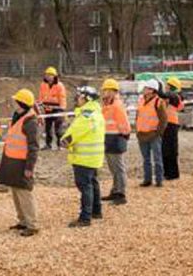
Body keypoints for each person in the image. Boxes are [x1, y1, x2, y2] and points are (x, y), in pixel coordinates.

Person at [0, 89, 41, 236]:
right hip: (13, 161)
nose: (13, 102)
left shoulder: (30, 121)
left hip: (22, 163)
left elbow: (33, 147)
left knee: (24, 194)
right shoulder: (18, 116)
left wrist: (29, 167)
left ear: (21, 103)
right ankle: (23, 221)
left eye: (16, 101)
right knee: (16, 192)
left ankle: (32, 225)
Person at [61, 86, 105, 228]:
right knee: (92, 183)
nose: (77, 98)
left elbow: (76, 131)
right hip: (93, 157)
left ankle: (85, 218)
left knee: (85, 186)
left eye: (80, 96)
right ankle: (96, 211)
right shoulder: (96, 112)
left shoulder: (86, 115)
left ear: (87, 99)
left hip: (84, 157)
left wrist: (64, 141)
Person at [99, 78, 130, 205]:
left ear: (113, 91)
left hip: (116, 139)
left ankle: (121, 194)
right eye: (104, 90)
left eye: (107, 90)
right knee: (113, 168)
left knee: (118, 168)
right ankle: (115, 191)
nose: (104, 92)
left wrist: (124, 135)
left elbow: (124, 124)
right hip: (108, 139)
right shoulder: (107, 105)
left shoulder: (116, 106)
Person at [135, 79, 168, 187]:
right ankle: (147, 180)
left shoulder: (159, 102)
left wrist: (157, 133)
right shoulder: (141, 100)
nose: (144, 89)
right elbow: (138, 116)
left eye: (146, 88)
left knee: (157, 159)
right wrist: (138, 130)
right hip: (142, 134)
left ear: (152, 90)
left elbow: (163, 120)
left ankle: (159, 180)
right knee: (146, 159)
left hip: (153, 135)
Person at [38, 67, 67, 150]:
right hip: (47, 108)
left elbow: (62, 97)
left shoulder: (59, 86)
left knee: (58, 128)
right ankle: (48, 144)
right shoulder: (43, 85)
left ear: (54, 76)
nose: (48, 76)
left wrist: (61, 108)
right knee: (48, 127)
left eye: (50, 75)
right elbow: (41, 96)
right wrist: (40, 104)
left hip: (58, 108)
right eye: (47, 75)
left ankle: (60, 145)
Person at [161, 77, 184, 181]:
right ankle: (167, 173)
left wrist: (157, 87)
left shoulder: (174, 96)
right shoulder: (173, 97)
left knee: (170, 149)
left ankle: (173, 174)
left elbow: (162, 94)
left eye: (167, 85)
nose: (166, 86)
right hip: (167, 124)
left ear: (171, 86)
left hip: (171, 125)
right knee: (165, 149)